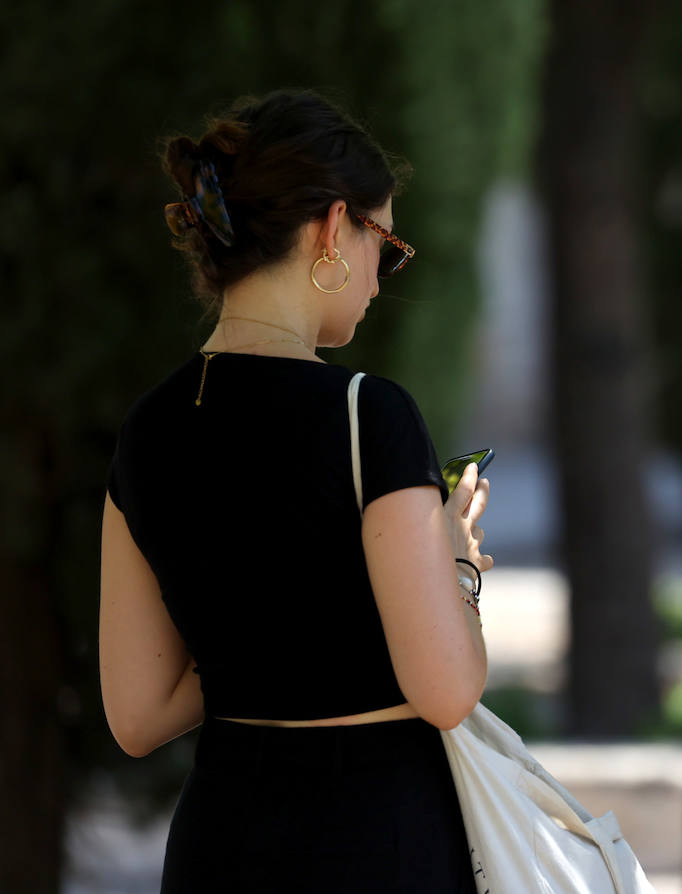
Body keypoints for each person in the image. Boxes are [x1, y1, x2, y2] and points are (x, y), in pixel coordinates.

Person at [99, 90, 490, 893]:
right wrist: (458, 564)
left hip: (221, 842)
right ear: (329, 228)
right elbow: (446, 691)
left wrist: (270, 634)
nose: (383, 277)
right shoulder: (367, 414)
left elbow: (136, 716)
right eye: (386, 241)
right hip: (373, 840)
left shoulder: (148, 428)